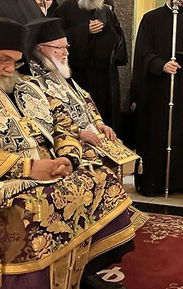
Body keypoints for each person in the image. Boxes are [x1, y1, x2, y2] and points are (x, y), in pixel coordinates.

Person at [0, 13, 140, 289]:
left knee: (99, 179)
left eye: (15, 61)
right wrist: (27, 168)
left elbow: (64, 125)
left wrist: (68, 158)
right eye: (3, 59)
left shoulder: (25, 85)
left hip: (48, 168)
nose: (9, 68)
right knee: (33, 207)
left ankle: (80, 272)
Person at [28, 17, 137, 174]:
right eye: (59, 48)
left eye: (66, 47)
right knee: (100, 170)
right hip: (62, 146)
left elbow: (84, 98)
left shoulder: (60, 72)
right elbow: (40, 123)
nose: (66, 53)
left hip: (87, 136)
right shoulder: (30, 81)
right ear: (40, 49)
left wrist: (99, 124)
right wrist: (78, 133)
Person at [131, 0, 183, 196]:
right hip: (159, 89)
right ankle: (153, 182)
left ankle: (180, 181)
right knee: (157, 134)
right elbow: (142, 52)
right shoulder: (151, 19)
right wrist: (160, 64)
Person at [55, 0, 128, 131]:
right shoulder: (67, 8)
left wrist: (107, 29)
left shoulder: (106, 12)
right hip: (76, 73)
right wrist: (84, 30)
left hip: (102, 77)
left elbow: (119, 41)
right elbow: (54, 37)